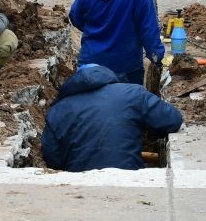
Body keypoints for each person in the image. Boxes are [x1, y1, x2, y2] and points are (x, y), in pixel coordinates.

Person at [41, 64, 184, 172]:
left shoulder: (58, 110)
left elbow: (52, 158)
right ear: (108, 75)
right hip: (128, 177)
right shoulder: (132, 93)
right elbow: (173, 120)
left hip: (80, 184)